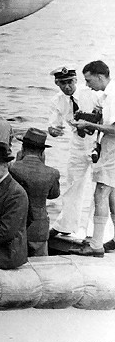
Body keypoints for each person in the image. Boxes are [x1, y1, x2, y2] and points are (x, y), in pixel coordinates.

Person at [47, 66, 100, 237]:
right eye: (62, 83)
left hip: (97, 141)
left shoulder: (91, 93)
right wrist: (53, 131)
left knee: (99, 186)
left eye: (70, 82)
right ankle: (66, 225)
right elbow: (54, 125)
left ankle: (94, 230)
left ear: (76, 80)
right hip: (78, 142)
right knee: (72, 184)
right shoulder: (57, 101)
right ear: (57, 83)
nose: (67, 86)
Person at [72, 60, 115, 257]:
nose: (87, 85)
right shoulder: (107, 95)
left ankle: (96, 245)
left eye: (89, 80)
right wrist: (89, 119)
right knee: (112, 195)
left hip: (112, 148)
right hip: (110, 147)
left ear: (100, 76)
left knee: (101, 192)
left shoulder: (112, 96)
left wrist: (91, 126)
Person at [8, 128, 61, 257]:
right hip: (39, 229)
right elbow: (54, 195)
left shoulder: (12, 168)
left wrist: (17, 162)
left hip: (15, 226)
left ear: (22, 148)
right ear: (42, 152)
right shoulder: (52, 173)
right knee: (41, 263)